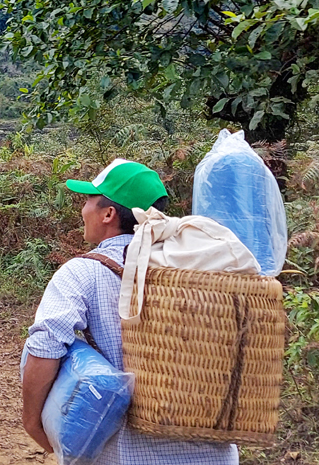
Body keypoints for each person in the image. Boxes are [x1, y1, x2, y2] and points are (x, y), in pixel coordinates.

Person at [21, 160, 237, 465]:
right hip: (213, 453)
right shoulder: (202, 264)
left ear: (108, 214)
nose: (83, 209)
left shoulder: (82, 273)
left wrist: (31, 421)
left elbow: (46, 345)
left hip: (127, 454)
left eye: (88, 201)